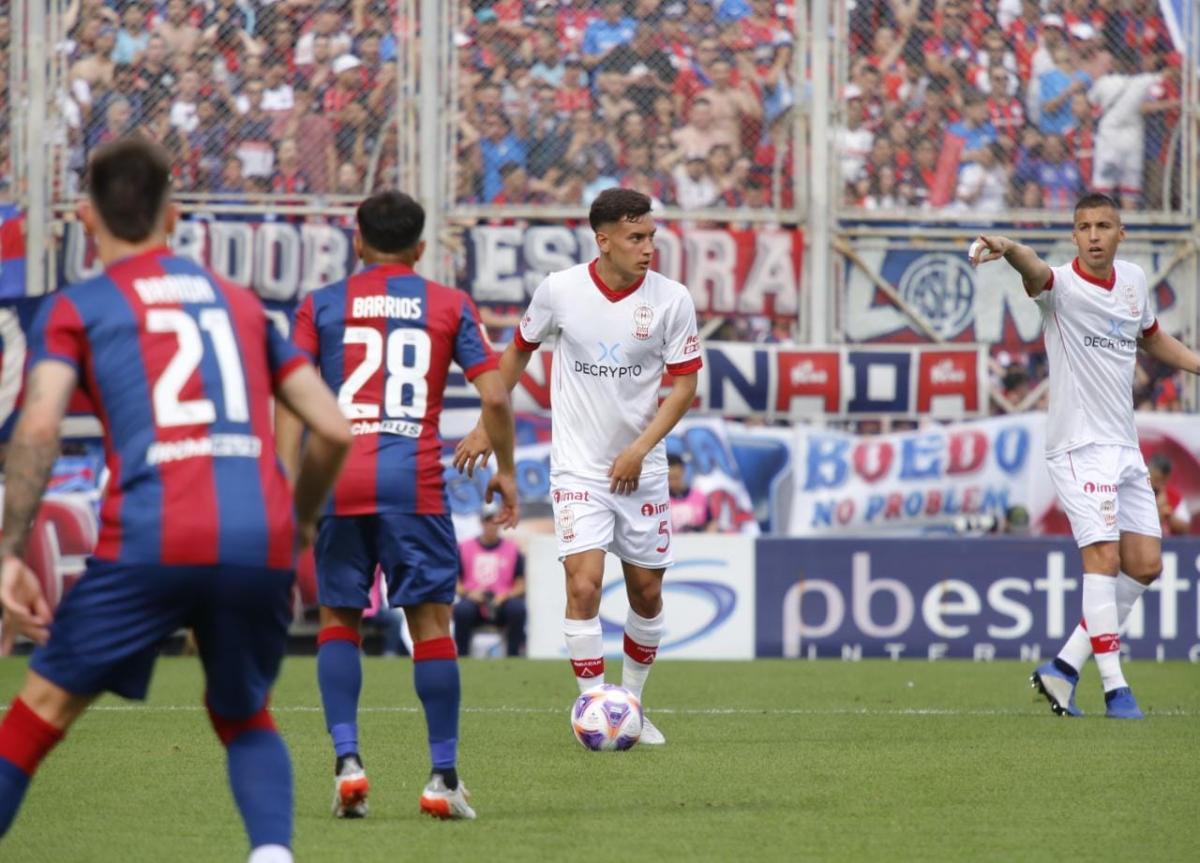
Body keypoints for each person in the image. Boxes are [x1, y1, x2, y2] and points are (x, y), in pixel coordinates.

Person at [0, 136, 352, 862]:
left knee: (40, 713)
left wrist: (7, 550)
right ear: (176, 215)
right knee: (241, 710)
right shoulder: (241, 304)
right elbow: (334, 427)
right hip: (257, 538)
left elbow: (38, 425)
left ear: (83, 218)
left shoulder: (79, 305)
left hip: (151, 535)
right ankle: (272, 853)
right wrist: (302, 520)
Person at [275, 190, 518, 821]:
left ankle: (348, 763)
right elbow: (494, 398)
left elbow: (291, 396)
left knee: (339, 621)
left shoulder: (320, 306)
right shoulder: (448, 304)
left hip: (337, 482)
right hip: (414, 486)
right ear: (420, 248)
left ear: (357, 242)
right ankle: (442, 778)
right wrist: (508, 471)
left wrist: (284, 476)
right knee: (431, 626)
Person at [454, 188, 703, 745]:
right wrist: (483, 426)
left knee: (646, 594)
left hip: (642, 469)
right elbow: (517, 351)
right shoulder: (560, 291)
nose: (647, 248)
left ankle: (631, 705)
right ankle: (594, 705)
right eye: (636, 238)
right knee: (584, 586)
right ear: (604, 239)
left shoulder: (671, 299)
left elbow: (685, 385)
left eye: (651, 237)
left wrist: (639, 449)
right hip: (580, 470)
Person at [970, 192, 1200, 720]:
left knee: (1143, 565)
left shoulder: (1135, 283)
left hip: (1123, 445)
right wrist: (1007, 246)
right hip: (1077, 446)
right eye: (1083, 227)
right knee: (1103, 560)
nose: (1093, 234)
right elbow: (1032, 268)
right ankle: (1117, 691)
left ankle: (1063, 669)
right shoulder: (1060, 288)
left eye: (1103, 225)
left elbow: (1153, 338)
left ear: (1121, 235)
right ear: (1073, 237)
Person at [454, 502, 527, 658]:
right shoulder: (464, 548)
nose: (491, 525)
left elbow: (521, 584)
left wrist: (506, 595)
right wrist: (469, 593)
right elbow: (455, 582)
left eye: (495, 520)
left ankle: (514, 656)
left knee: (517, 609)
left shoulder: (512, 549)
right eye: (488, 520)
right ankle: (462, 656)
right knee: (462, 610)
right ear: (481, 523)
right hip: (474, 600)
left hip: (502, 601)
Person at [1148, 453, 1190, 535]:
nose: (1159, 485)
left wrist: (1169, 514)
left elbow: (1185, 528)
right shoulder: (1139, 493)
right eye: (1156, 480)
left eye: (1163, 481)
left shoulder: (1175, 496)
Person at [668, 453, 711, 533]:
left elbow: (711, 522)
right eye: (670, 478)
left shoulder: (699, 496)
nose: (673, 482)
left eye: (676, 477)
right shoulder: (661, 502)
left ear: (683, 471)